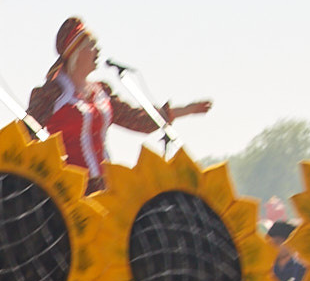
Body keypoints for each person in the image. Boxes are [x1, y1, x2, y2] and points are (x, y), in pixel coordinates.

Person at [27, 17, 210, 190]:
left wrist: (187, 110)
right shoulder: (51, 95)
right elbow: (25, 134)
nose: (97, 51)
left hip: (105, 187)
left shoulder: (101, 93)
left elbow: (137, 120)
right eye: (91, 46)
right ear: (76, 52)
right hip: (68, 189)